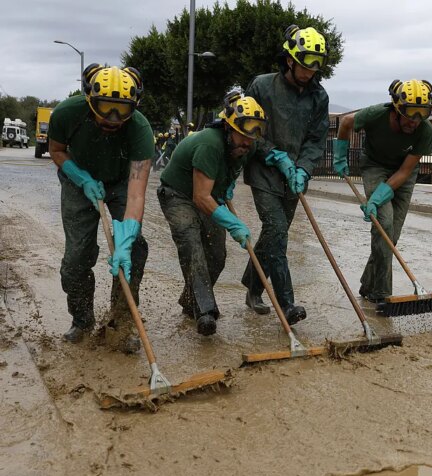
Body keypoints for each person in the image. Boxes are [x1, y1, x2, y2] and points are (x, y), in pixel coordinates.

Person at [48, 64, 155, 352]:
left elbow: (135, 195)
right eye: (105, 108)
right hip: (78, 177)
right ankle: (82, 320)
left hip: (121, 182)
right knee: (76, 258)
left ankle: (120, 324)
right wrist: (81, 178)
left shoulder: (141, 130)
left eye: (122, 110)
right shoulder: (66, 113)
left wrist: (126, 238)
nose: (113, 118)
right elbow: (56, 150)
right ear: (89, 100)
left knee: (134, 249)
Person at [239, 24, 329, 324]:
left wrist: (303, 168)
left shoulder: (319, 97)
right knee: (276, 229)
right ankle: (287, 304)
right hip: (263, 170)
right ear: (290, 59)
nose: (311, 71)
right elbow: (248, 130)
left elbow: (316, 139)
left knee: (274, 235)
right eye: (305, 64)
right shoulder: (262, 86)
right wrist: (274, 155)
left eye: (317, 65)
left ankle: (252, 287)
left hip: (294, 177)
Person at [158, 92, 264, 335]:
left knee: (217, 254)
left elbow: (220, 183)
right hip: (178, 195)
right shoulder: (210, 143)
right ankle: (205, 312)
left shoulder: (247, 144)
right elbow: (200, 197)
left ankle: (190, 303)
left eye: (252, 138)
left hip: (209, 196)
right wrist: (233, 223)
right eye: (242, 136)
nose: (247, 143)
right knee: (192, 244)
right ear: (228, 127)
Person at [332, 79, 432, 310]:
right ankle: (381, 294)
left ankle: (367, 285)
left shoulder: (425, 131)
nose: (414, 122)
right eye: (409, 115)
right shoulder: (376, 115)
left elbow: (404, 172)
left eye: (421, 116)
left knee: (389, 237)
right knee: (384, 225)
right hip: (374, 166)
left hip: (403, 174)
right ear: (397, 109)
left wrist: (377, 198)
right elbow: (346, 122)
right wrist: (340, 156)